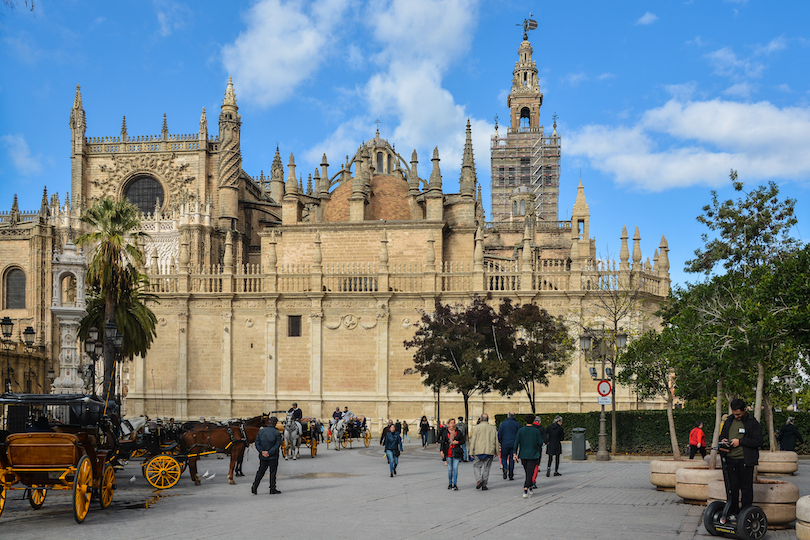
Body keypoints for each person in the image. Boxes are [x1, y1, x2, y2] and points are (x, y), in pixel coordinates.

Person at [719, 398, 763, 517]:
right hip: (730, 460)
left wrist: (741, 441)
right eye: (734, 414)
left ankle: (745, 514)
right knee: (732, 489)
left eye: (738, 414)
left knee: (746, 489)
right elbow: (722, 436)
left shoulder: (752, 422)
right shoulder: (729, 421)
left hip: (745, 461)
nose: (736, 416)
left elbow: (759, 441)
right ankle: (733, 513)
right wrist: (723, 440)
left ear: (744, 410)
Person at [513, 414, 544, 498]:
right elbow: (540, 442)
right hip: (533, 454)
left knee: (528, 471)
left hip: (523, 454)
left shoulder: (521, 430)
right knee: (529, 472)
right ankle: (526, 488)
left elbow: (516, 442)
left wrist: (514, 453)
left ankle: (529, 487)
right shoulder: (536, 431)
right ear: (533, 421)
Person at [251, 416, 283, 495]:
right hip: (273, 456)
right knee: (272, 472)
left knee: (260, 471)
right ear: (275, 424)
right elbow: (277, 445)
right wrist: (269, 452)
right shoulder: (277, 433)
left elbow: (257, 443)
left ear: (269, 422)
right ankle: (272, 488)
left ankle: (255, 486)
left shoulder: (261, 431)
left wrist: (262, 452)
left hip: (263, 456)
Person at [468, 413, 498, 490]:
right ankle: (484, 484)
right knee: (487, 468)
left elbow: (473, 441)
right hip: (489, 450)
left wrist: (471, 452)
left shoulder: (477, 428)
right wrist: (496, 451)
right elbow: (496, 441)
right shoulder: (493, 428)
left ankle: (478, 480)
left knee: (476, 466)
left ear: (480, 419)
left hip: (479, 450)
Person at [439, 417, 465, 490]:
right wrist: (441, 451)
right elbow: (443, 442)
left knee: (455, 468)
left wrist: (457, 442)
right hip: (448, 452)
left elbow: (463, 441)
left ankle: (455, 484)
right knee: (450, 469)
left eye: (453, 423)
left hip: (456, 452)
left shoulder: (458, 432)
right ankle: (450, 483)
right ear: (448, 424)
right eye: (451, 423)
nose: (452, 424)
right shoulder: (445, 432)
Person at [498, 411, 520, 480]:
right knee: (511, 459)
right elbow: (520, 434)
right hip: (514, 444)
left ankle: (504, 468)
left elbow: (499, 434)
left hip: (504, 443)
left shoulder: (503, 424)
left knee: (504, 457)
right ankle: (511, 475)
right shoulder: (517, 424)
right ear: (514, 416)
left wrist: (500, 442)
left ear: (508, 416)